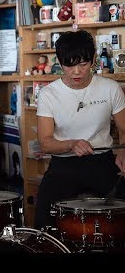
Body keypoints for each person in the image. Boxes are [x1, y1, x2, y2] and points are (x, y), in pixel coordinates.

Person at [34, 30, 125, 229]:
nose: (77, 72)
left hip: (102, 159)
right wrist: (71, 144)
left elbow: (123, 129)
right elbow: (45, 142)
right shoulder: (49, 94)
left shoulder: (110, 88)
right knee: (44, 215)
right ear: (59, 61)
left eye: (83, 64)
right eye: (69, 65)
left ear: (93, 59)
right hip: (64, 164)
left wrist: (122, 151)